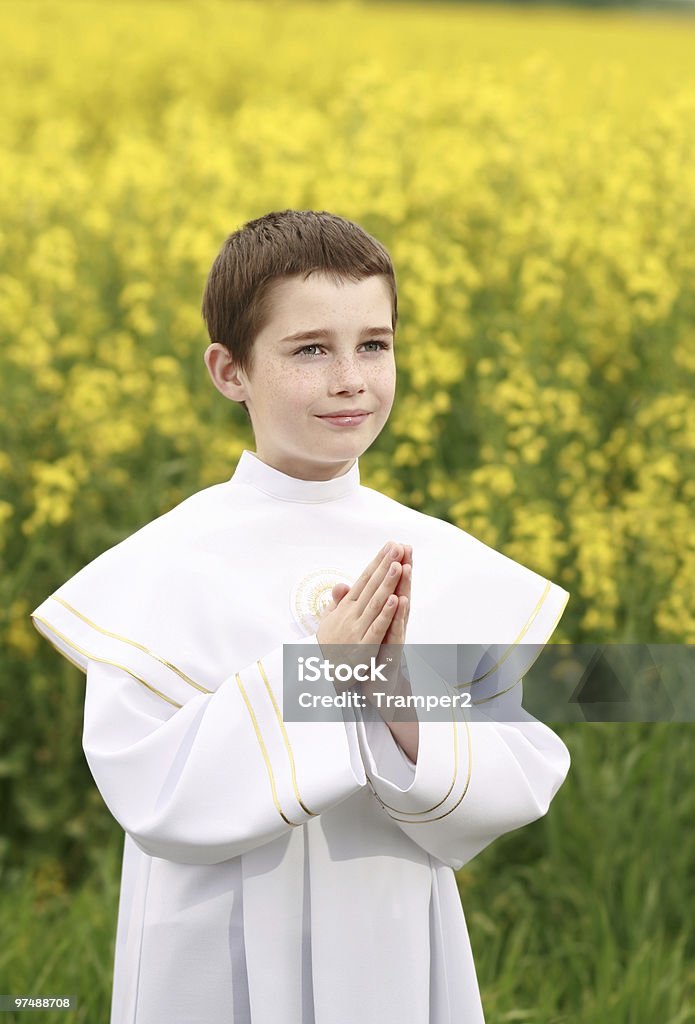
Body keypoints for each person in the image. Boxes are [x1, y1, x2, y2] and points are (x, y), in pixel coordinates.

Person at [30, 209, 571, 1024]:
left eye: (374, 344)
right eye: (310, 348)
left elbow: (515, 773)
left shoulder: (433, 554)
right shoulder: (170, 563)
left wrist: (393, 691)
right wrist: (318, 674)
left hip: (392, 922)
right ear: (228, 370)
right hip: (216, 940)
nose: (351, 378)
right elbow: (150, 790)